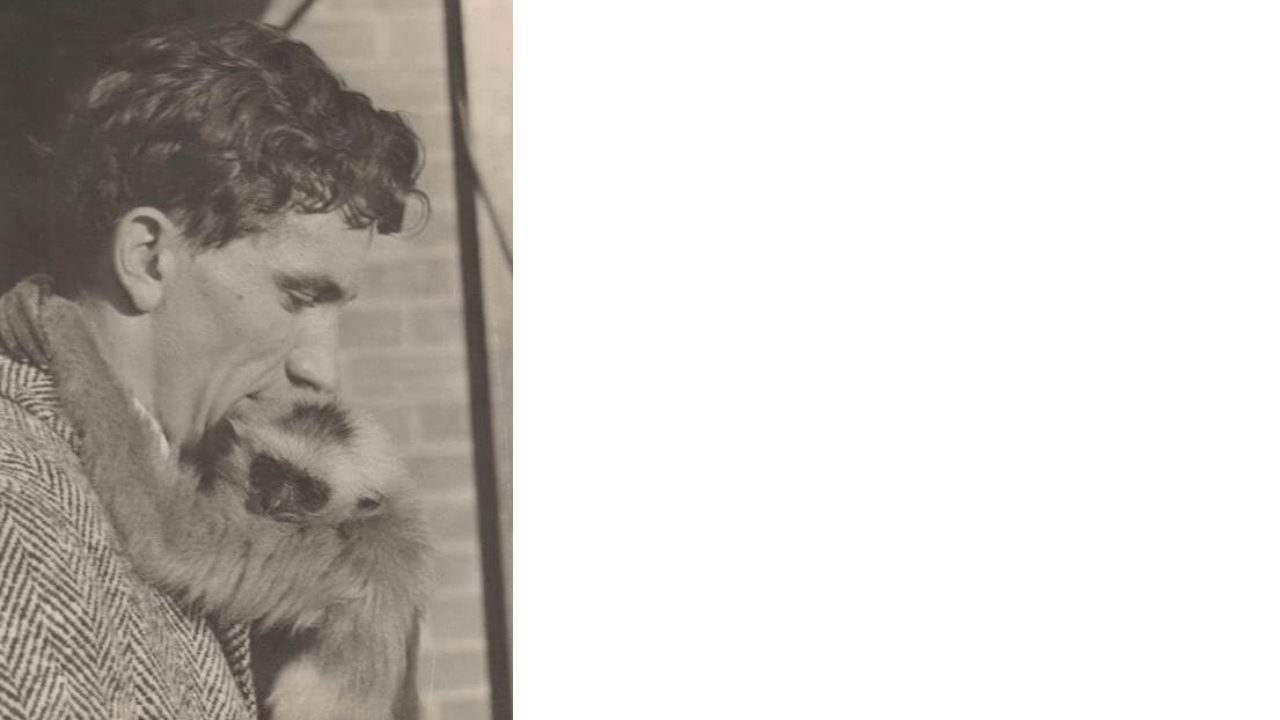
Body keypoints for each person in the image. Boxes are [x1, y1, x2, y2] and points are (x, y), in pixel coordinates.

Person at [0, 20, 423, 719]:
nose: (320, 366)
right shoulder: (20, 502)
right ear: (147, 257)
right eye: (298, 295)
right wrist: (62, 338)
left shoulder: (221, 484)